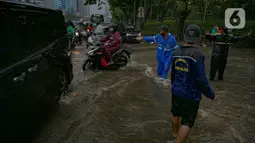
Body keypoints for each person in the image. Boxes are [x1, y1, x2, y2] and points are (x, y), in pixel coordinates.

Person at [169, 24, 215, 143]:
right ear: (199, 38)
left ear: (185, 37)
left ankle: (175, 136)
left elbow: (173, 73)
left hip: (176, 90)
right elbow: (200, 79)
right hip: (190, 93)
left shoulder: (176, 52)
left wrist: (174, 86)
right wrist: (210, 94)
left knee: (175, 113)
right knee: (188, 121)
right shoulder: (197, 55)